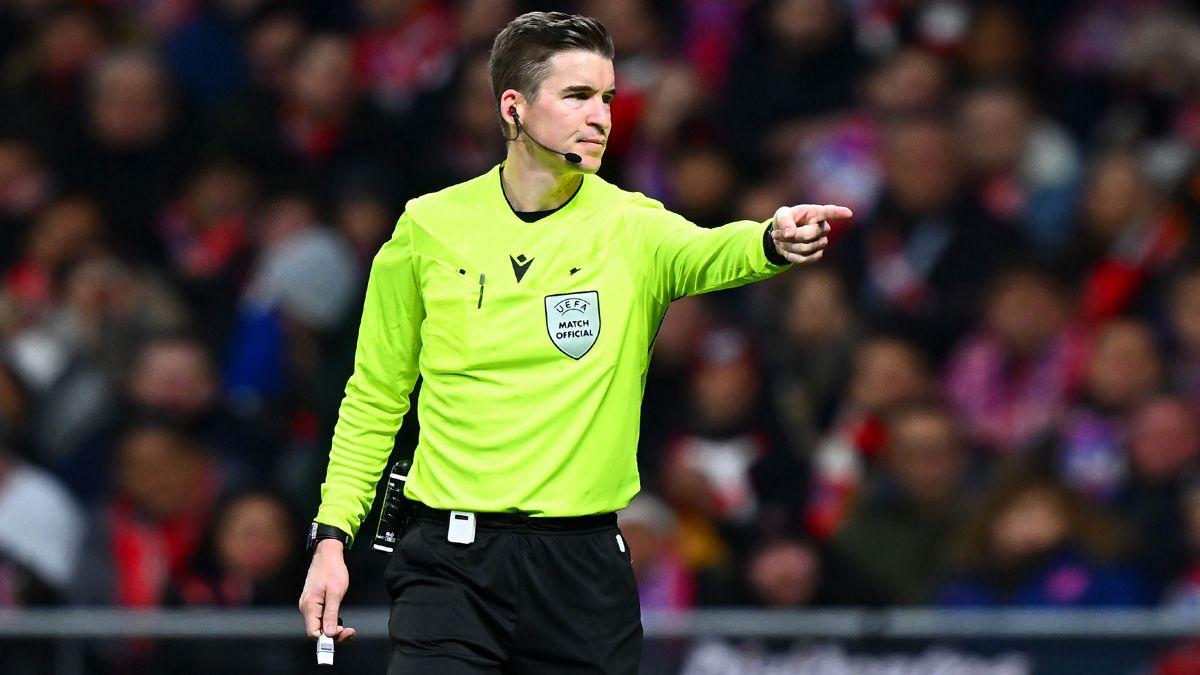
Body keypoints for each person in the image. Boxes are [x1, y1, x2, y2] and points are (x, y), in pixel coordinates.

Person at [297, 11, 851, 674]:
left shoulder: (632, 227)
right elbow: (375, 395)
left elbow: (714, 250)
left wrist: (773, 239)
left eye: (608, 98)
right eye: (577, 96)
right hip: (448, 564)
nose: (601, 117)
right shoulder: (428, 227)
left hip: (581, 572)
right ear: (514, 107)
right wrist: (332, 536)